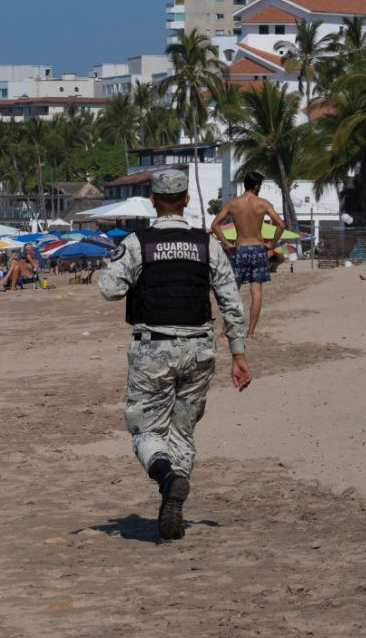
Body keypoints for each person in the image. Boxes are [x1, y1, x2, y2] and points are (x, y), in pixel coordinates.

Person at [98, 169, 252, 541]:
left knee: (145, 428)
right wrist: (238, 354)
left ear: (153, 201)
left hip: (154, 347)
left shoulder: (139, 243)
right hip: (200, 347)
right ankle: (175, 500)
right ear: (186, 200)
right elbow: (231, 301)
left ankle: (166, 477)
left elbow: (109, 290)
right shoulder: (206, 244)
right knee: (183, 430)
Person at [210, 171, 285, 338]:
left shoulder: (233, 203)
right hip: (258, 249)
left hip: (240, 249)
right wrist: (271, 243)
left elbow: (214, 225)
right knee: (256, 291)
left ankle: (225, 331)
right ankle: (250, 332)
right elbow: (281, 224)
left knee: (233, 291)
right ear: (256, 186)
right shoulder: (263, 203)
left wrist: (227, 243)